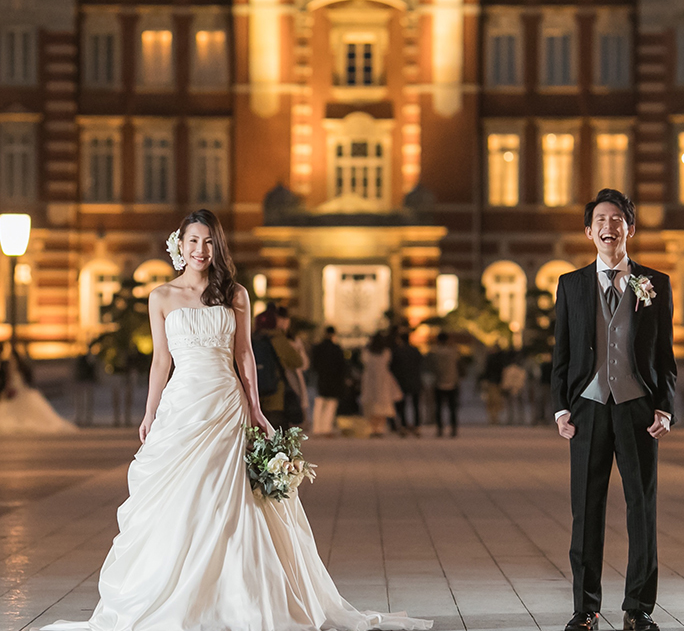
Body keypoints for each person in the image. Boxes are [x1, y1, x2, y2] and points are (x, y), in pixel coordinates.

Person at [41, 209, 431, 631]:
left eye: (209, 242)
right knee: (184, 497)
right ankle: (182, 592)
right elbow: (160, 363)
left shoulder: (235, 294)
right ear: (180, 245)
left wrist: (256, 408)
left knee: (233, 497)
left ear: (217, 246)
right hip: (183, 406)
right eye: (193, 241)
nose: (201, 250)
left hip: (226, 403)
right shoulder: (161, 297)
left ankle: (241, 593)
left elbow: (244, 354)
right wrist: (150, 412)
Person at [551, 189, 676, 631]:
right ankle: (585, 609)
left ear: (630, 228)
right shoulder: (570, 285)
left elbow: (665, 355)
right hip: (587, 408)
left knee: (642, 507)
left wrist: (664, 407)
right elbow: (561, 354)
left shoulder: (654, 283)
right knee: (586, 510)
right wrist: (560, 409)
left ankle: (638, 608)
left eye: (617, 219)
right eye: (601, 219)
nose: (609, 226)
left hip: (637, 408)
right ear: (589, 231)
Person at [0, 345, 77, 434]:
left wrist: (7, 390)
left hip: (17, 390)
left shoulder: (9, 364)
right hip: (21, 389)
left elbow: (9, 380)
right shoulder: (19, 366)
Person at [253, 305, 304, 430]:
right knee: (277, 436)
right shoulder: (278, 339)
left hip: (254, 395)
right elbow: (297, 362)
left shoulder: (251, 338)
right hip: (276, 396)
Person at [361, 331, 403, 437]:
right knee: (383, 404)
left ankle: (373, 428)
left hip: (370, 380)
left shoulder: (367, 353)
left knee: (371, 405)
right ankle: (380, 429)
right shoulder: (386, 352)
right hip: (383, 380)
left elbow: (363, 362)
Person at [311, 325, 347, 436]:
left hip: (321, 379)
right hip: (334, 380)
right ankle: (326, 428)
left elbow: (314, 364)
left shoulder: (318, 348)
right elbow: (342, 366)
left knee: (319, 404)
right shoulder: (337, 349)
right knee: (330, 405)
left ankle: (317, 428)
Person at [390, 328, 423, 436]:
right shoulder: (415, 351)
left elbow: (392, 367)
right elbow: (421, 365)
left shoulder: (396, 351)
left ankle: (403, 426)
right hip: (415, 381)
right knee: (415, 405)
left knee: (402, 406)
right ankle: (417, 426)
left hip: (401, 382)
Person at [430, 331, 461, 437]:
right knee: (452, 408)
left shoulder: (435, 352)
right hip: (452, 382)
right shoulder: (453, 351)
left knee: (439, 408)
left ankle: (440, 429)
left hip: (439, 382)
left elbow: (432, 368)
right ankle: (453, 428)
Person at [479, 343, 506, 424]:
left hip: (493, 381)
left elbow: (486, 370)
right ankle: (494, 417)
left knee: (492, 401)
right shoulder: (501, 358)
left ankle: (493, 417)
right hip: (496, 381)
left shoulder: (491, 358)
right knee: (496, 400)